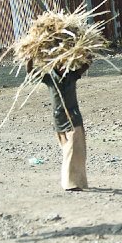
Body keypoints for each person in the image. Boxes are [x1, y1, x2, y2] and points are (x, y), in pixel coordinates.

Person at [31, 62, 89, 191]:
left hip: (74, 117)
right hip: (59, 119)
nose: (63, 68)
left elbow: (85, 65)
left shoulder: (72, 76)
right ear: (55, 66)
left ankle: (72, 183)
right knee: (67, 150)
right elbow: (31, 72)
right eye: (60, 66)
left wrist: (87, 53)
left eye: (65, 65)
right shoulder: (49, 78)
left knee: (75, 149)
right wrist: (29, 60)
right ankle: (72, 181)